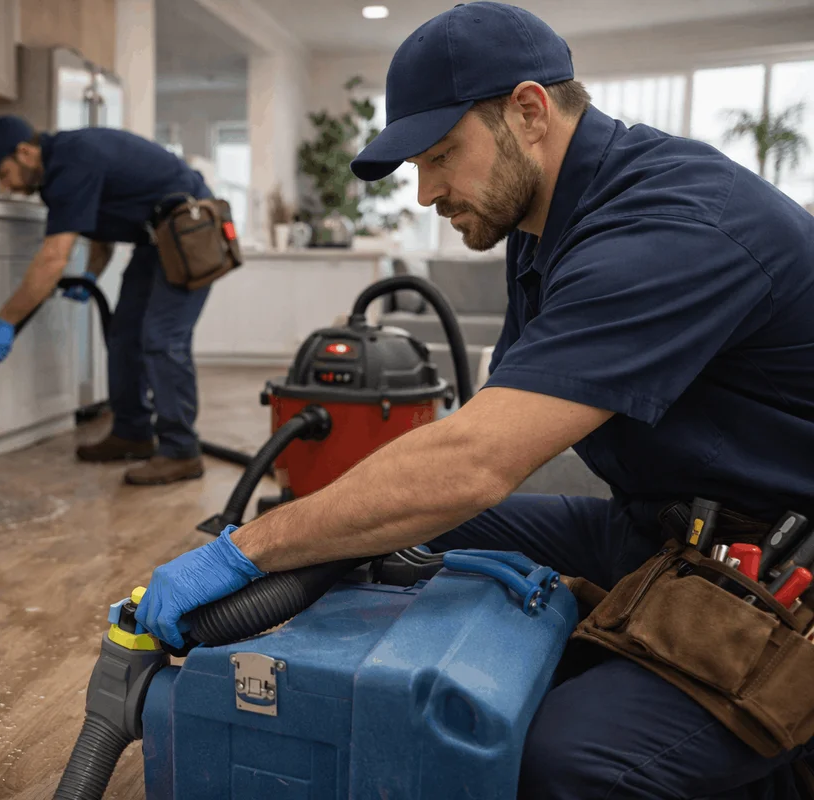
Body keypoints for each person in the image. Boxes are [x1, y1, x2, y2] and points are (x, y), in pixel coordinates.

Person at [133, 2, 814, 797]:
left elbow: (475, 460)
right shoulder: (542, 222)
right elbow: (480, 434)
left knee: (566, 763)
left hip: (782, 559)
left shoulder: (669, 225)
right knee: (384, 526)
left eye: (440, 156)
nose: (424, 193)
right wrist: (295, 537)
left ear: (529, 111)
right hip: (665, 522)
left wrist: (243, 551)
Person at [0, 116, 214, 485]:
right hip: (157, 240)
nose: (4, 185)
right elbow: (102, 232)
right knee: (124, 334)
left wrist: (6, 319)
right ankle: (132, 431)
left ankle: (181, 451)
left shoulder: (72, 161)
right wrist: (89, 277)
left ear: (24, 152)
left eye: (3, 173)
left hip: (192, 230)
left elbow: (54, 258)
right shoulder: (62, 170)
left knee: (162, 339)